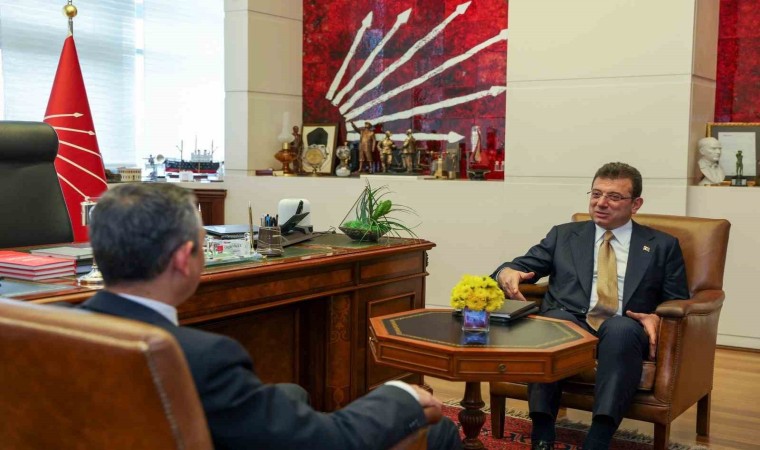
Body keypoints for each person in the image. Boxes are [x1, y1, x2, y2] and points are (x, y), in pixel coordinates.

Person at [81, 183, 462, 450]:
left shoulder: (61, 329)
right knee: (441, 432)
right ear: (184, 259)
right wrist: (400, 396)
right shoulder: (203, 358)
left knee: (292, 393)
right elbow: (331, 442)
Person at [491, 162, 688, 450]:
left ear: (635, 204)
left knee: (620, 330)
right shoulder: (563, 235)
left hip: (624, 323)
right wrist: (507, 272)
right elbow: (520, 265)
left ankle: (598, 438)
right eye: (596, 194)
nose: (601, 203)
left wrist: (657, 316)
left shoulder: (661, 245)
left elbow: (677, 298)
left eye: (614, 197)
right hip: (569, 320)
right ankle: (542, 433)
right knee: (552, 324)